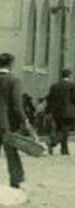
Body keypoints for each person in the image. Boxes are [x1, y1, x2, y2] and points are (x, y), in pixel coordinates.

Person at [0, 53, 32, 190]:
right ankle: (15, 180)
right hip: (7, 124)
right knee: (11, 152)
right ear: (10, 64)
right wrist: (25, 120)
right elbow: (16, 105)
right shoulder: (14, 80)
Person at [45, 69, 75, 156]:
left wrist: (48, 110)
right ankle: (53, 142)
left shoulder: (54, 86)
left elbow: (49, 99)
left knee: (60, 129)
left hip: (56, 112)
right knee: (65, 130)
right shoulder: (72, 86)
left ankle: (64, 149)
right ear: (69, 76)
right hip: (68, 112)